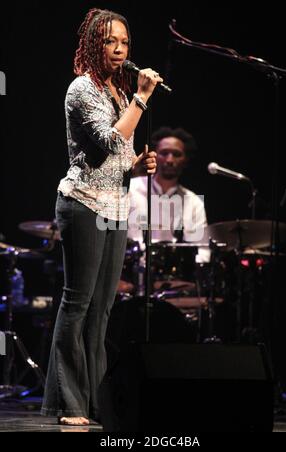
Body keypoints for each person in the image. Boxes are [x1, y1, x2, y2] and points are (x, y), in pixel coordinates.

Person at [41, 8, 162, 426]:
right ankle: (67, 405)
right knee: (78, 302)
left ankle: (97, 403)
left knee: (103, 309)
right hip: (83, 203)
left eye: (125, 42)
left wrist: (139, 164)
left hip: (114, 207)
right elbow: (110, 140)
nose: (119, 49)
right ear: (94, 44)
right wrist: (142, 99)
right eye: (111, 41)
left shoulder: (117, 93)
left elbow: (122, 157)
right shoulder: (82, 89)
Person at [128, 126, 210, 262]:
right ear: (155, 155)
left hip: (174, 276)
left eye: (176, 154)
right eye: (164, 153)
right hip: (131, 273)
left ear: (185, 160)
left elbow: (203, 250)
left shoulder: (194, 202)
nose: (170, 160)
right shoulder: (131, 189)